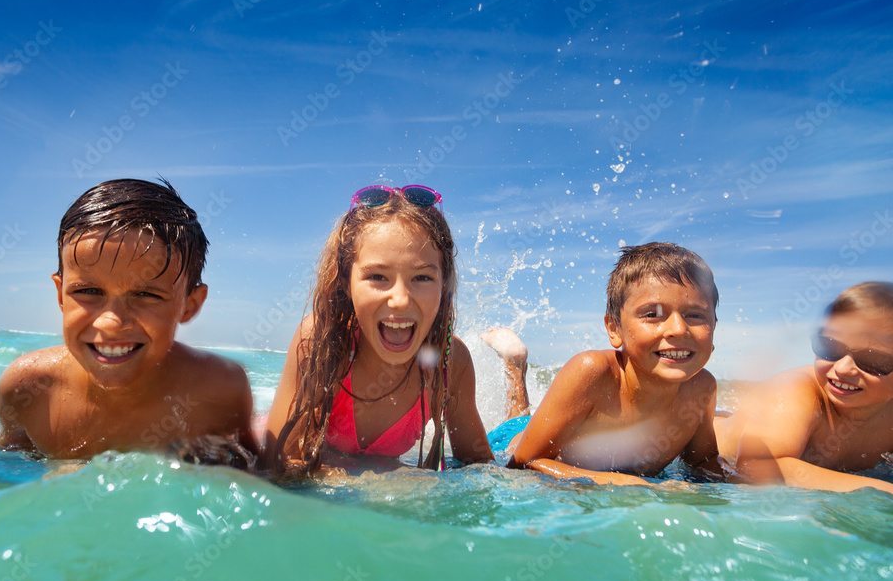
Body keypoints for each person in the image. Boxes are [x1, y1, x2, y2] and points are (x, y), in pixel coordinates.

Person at [0, 179, 258, 467]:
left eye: (145, 294)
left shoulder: (221, 388)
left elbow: (251, 472)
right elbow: (8, 473)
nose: (111, 323)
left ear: (190, 305)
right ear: (60, 294)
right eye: (89, 291)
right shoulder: (27, 388)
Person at [265, 185, 494, 476]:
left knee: (512, 435)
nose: (399, 300)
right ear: (346, 282)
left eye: (422, 277)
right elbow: (276, 462)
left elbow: (480, 467)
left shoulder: (449, 360)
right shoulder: (320, 342)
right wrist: (361, 486)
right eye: (377, 276)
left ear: (444, 285)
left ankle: (515, 369)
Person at [485, 242, 724, 485]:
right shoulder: (592, 371)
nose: (678, 329)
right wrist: (624, 484)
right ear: (614, 329)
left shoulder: (701, 389)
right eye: (652, 314)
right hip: (513, 441)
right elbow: (522, 462)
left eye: (695, 315)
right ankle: (514, 363)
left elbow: (703, 463)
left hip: (558, 427)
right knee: (516, 420)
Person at [715, 282, 893, 494]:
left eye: (872, 359)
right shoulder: (796, 390)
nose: (843, 368)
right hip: (701, 444)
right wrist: (882, 489)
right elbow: (755, 466)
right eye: (830, 347)